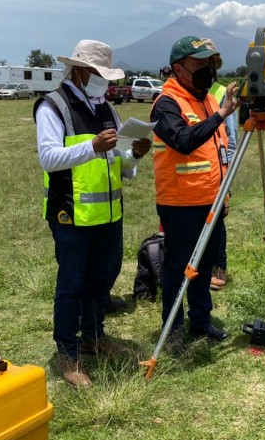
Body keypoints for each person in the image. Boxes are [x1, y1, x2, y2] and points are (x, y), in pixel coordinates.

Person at [35, 39, 151, 388]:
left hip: (108, 213)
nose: (105, 82)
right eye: (100, 75)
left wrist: (135, 155)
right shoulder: (53, 107)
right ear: (82, 71)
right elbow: (49, 158)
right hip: (71, 213)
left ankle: (94, 336)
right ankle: (67, 354)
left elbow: (116, 160)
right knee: (71, 284)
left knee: (103, 277)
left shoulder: (107, 108)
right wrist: (92, 146)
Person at [150, 36, 240, 352]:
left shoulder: (208, 100)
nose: (207, 69)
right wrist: (221, 115)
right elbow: (183, 141)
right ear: (179, 68)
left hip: (211, 201)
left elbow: (219, 152)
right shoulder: (166, 103)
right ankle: (173, 331)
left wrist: (224, 197)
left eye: (211, 63)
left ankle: (201, 321)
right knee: (178, 270)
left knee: (203, 269)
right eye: (199, 63)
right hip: (181, 204)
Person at [201, 39, 238, 291]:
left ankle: (218, 267)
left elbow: (231, 141)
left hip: (216, 173)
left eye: (210, 64)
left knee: (217, 224)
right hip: (192, 176)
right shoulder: (184, 96)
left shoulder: (221, 93)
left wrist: (227, 179)